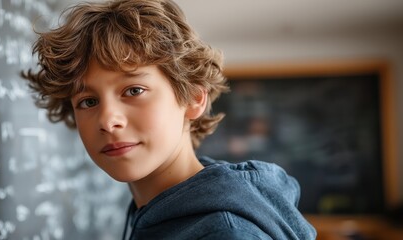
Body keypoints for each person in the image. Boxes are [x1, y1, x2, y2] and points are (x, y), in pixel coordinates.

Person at [22, 0, 316, 239]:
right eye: (88, 101)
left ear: (193, 99)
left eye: (134, 90)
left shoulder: (224, 233)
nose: (108, 120)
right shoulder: (159, 212)